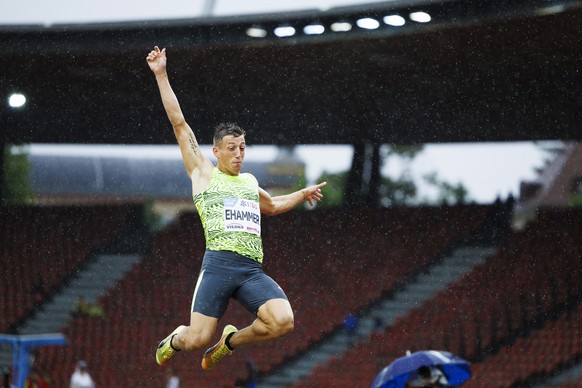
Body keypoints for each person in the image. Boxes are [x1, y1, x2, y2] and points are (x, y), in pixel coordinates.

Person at [146, 46, 327, 371]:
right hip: (218, 266)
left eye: (242, 148)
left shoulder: (248, 182)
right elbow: (179, 123)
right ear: (216, 151)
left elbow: (271, 205)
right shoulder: (203, 173)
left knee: (283, 322)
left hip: (250, 271)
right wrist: (161, 74)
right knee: (197, 339)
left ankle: (231, 341)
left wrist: (302, 193)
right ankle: (173, 340)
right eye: (231, 148)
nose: (239, 154)